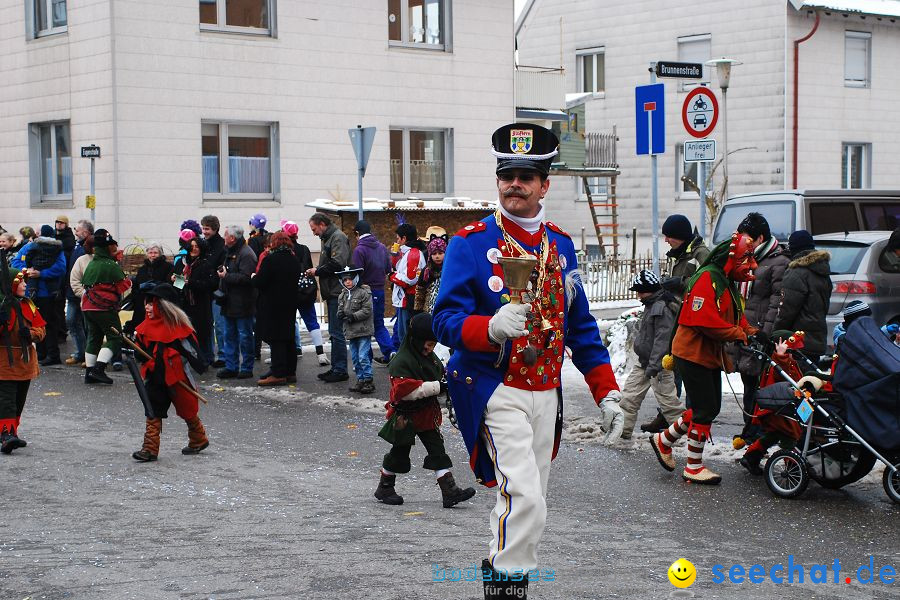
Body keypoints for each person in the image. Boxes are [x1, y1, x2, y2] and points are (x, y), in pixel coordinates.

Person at [433, 123, 623, 599]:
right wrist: (489, 327)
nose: (513, 183)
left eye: (526, 175)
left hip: (546, 392)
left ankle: (506, 574)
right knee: (525, 496)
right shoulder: (470, 243)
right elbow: (443, 320)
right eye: (506, 174)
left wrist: (607, 390)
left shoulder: (560, 245)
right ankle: (505, 580)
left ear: (544, 184)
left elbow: (579, 326)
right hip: (493, 385)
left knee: (528, 500)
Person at [649, 232, 758, 485]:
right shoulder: (707, 277)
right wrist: (738, 334)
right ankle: (693, 467)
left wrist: (752, 331)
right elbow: (703, 320)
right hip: (691, 353)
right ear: (731, 259)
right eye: (746, 260)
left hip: (707, 354)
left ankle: (664, 440)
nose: (751, 266)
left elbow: (735, 315)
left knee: (707, 407)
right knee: (705, 408)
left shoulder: (726, 282)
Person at [375, 312, 476, 507]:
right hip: (406, 416)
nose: (431, 349)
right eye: (428, 344)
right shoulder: (402, 361)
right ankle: (385, 487)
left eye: (433, 344)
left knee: (437, 449)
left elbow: (438, 372)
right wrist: (439, 386)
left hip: (426, 414)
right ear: (416, 341)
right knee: (399, 453)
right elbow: (405, 392)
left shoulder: (429, 357)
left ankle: (450, 491)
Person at [729, 212, 790, 449]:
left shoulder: (778, 262)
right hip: (746, 330)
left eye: (748, 239)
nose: (744, 243)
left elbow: (778, 302)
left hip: (761, 333)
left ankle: (757, 431)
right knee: (748, 380)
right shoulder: (748, 258)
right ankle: (750, 428)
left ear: (760, 238)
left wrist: (766, 332)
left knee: (758, 383)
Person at [130, 283, 209, 462]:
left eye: (151, 303)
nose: (147, 307)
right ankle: (149, 448)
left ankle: (198, 438)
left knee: (187, 409)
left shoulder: (178, 328)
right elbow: (141, 350)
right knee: (152, 410)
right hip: (155, 376)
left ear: (162, 306)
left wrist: (174, 361)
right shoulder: (145, 326)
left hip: (176, 377)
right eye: (146, 303)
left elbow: (192, 353)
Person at [618, 270, 683, 439]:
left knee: (669, 403)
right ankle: (623, 431)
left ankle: (687, 435)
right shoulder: (651, 304)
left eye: (641, 291)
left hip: (658, 365)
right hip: (644, 362)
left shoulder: (660, 307)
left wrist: (654, 366)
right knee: (629, 396)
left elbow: (663, 340)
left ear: (651, 289)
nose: (638, 295)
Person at [0, 267, 46, 455]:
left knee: (19, 400)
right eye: (21, 282)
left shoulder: (28, 305)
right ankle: (6, 434)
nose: (25, 285)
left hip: (25, 362)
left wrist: (32, 334)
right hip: (4, 361)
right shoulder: (2, 305)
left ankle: (12, 432)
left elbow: (42, 329)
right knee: (6, 400)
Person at [80, 229, 132, 384]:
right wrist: (130, 280)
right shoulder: (109, 265)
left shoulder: (92, 264)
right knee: (115, 337)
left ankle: (89, 373)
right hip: (103, 308)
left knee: (94, 337)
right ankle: (99, 369)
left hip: (88, 307)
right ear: (107, 247)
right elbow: (124, 286)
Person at [11, 225, 66, 366]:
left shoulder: (56, 250)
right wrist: (27, 270)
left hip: (47, 294)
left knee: (48, 324)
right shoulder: (29, 247)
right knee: (35, 324)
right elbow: (16, 262)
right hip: (31, 293)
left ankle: (53, 355)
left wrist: (42, 273)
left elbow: (61, 268)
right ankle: (41, 354)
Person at [773, 230, 832, 360]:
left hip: (798, 341)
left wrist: (776, 334)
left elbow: (786, 311)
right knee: (811, 378)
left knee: (797, 378)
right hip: (817, 339)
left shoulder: (796, 272)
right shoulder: (822, 270)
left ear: (793, 248)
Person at [251, 232, 300, 386]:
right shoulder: (294, 259)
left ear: (274, 243)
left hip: (273, 304)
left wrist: (253, 277)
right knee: (289, 336)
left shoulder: (270, 260)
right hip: (290, 303)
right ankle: (290, 371)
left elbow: (260, 281)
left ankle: (278, 373)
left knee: (276, 337)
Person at [306, 213, 350, 383]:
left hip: (336, 291)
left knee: (336, 332)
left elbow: (338, 263)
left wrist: (317, 270)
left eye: (314, 229)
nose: (314, 233)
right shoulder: (328, 237)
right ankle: (336, 367)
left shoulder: (337, 237)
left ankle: (340, 369)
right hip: (332, 291)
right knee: (334, 332)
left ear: (322, 224)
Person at [282, 221, 329, 366]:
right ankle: (320, 353)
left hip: (288, 291)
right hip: (304, 291)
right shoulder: (304, 249)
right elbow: (308, 267)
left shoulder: (283, 251)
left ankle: (292, 351)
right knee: (312, 322)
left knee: (287, 322)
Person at [216, 225, 257, 379]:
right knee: (229, 335)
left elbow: (247, 278)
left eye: (225, 235)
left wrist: (226, 277)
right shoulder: (231, 251)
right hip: (229, 302)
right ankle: (231, 366)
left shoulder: (246, 253)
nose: (223, 237)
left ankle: (247, 367)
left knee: (245, 335)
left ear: (232, 238)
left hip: (242, 303)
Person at [351, 220, 394, 363]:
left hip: (365, 292)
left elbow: (357, 274)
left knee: (364, 327)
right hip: (380, 291)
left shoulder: (360, 250)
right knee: (379, 324)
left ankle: (366, 359)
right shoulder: (382, 247)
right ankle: (391, 352)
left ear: (357, 234)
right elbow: (388, 269)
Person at [174, 236, 218, 366]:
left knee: (203, 332)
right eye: (192, 246)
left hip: (200, 303)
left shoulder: (205, 264)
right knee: (187, 333)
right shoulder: (182, 263)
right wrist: (175, 279)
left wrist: (189, 282)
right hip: (185, 303)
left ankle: (206, 359)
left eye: (197, 247)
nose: (194, 249)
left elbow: (210, 285)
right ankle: (193, 359)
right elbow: (178, 284)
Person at [336, 267, 375, 394]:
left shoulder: (364, 293)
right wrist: (340, 314)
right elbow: (340, 309)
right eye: (345, 279)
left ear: (356, 279)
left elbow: (367, 310)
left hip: (363, 330)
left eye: (350, 279)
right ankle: (361, 379)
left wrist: (353, 316)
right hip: (351, 331)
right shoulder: (342, 295)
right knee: (355, 358)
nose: (347, 281)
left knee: (363, 356)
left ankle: (369, 380)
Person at [125, 243, 174, 334]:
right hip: (142, 303)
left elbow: (169, 284)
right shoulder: (143, 269)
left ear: (160, 254)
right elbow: (136, 285)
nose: (153, 255)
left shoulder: (168, 267)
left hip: (159, 303)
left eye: (155, 252)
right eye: (150, 252)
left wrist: (156, 286)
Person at [389, 223, 425, 346]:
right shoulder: (407, 252)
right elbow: (398, 267)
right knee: (402, 335)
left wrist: (392, 277)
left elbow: (410, 279)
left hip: (409, 299)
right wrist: (394, 255)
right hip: (404, 299)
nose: (397, 241)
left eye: (398, 238)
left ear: (404, 238)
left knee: (406, 336)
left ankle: (409, 362)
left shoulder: (413, 253)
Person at [64, 220, 93, 366]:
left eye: (78, 230)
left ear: (86, 232)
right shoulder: (77, 246)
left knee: (87, 325)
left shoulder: (89, 248)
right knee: (71, 322)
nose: (76, 232)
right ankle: (80, 352)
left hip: (84, 294)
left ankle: (89, 355)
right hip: (72, 292)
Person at [201, 215, 227, 367]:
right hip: (206, 289)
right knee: (207, 324)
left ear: (215, 229)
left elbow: (219, 266)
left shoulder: (221, 246)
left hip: (217, 290)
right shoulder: (204, 244)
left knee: (219, 324)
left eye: (207, 229)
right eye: (203, 228)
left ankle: (223, 355)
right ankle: (209, 355)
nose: (204, 231)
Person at [662, 214, 710, 295]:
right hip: (675, 306)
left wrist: (681, 283)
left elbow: (707, 282)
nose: (665, 240)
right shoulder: (674, 255)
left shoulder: (701, 254)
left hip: (692, 306)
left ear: (679, 236)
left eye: (668, 236)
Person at [54, 216, 75, 344]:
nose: (58, 224)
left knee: (60, 305)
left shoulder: (68, 238)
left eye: (61, 223)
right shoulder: (55, 236)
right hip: (58, 275)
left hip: (63, 275)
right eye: (57, 222)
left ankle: (61, 332)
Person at [414, 235, 446, 315]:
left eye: (440, 253)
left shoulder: (450, 269)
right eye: (434, 254)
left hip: (446, 310)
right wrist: (418, 311)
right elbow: (420, 291)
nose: (437, 256)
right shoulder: (426, 271)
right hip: (429, 312)